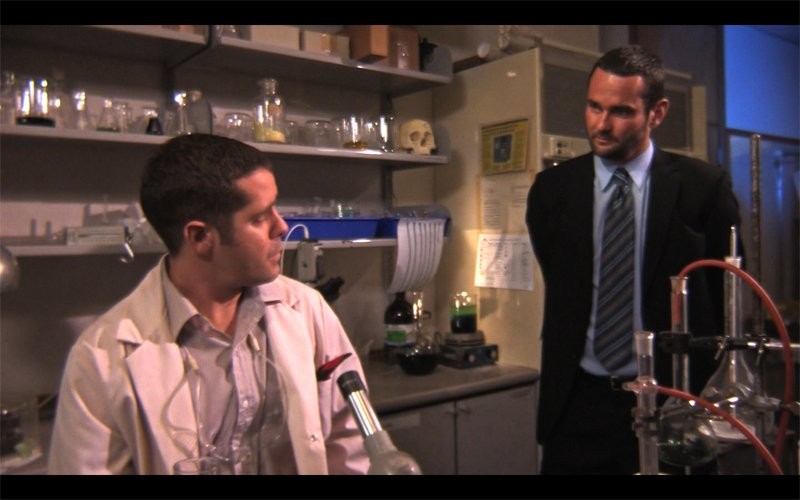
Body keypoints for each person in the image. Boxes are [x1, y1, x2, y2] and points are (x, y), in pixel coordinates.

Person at [48, 134, 369, 475]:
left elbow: (350, 441)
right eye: (259, 218)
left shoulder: (306, 308)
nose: (281, 226)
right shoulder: (100, 357)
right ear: (200, 237)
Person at [526, 45, 743, 474]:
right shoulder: (552, 191)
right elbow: (564, 283)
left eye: (621, 111)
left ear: (656, 113)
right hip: (578, 406)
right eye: (594, 106)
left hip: (673, 402)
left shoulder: (703, 189)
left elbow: (728, 298)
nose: (601, 124)